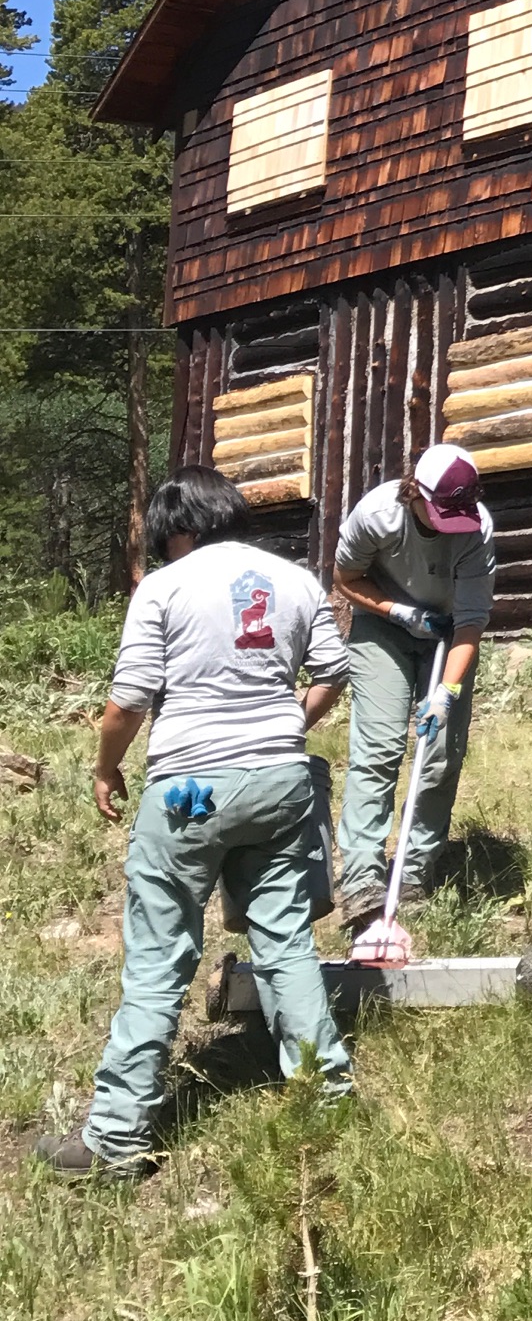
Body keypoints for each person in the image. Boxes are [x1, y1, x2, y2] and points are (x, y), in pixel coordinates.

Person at [37, 467, 353, 1179]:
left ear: (179, 528)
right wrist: (284, 728)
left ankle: (116, 1140)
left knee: (158, 958)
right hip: (279, 782)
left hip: (190, 791)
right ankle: (327, 1097)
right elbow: (333, 670)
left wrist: (105, 767)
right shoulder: (295, 580)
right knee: (286, 940)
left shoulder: (166, 587)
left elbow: (127, 704)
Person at [332, 442, 495, 934]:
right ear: (415, 492)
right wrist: (396, 611)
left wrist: (444, 693)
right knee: (378, 748)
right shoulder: (378, 516)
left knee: (440, 754)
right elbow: (345, 576)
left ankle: (413, 872)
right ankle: (361, 878)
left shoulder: (477, 528)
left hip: (449, 638)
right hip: (384, 629)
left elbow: (471, 623)